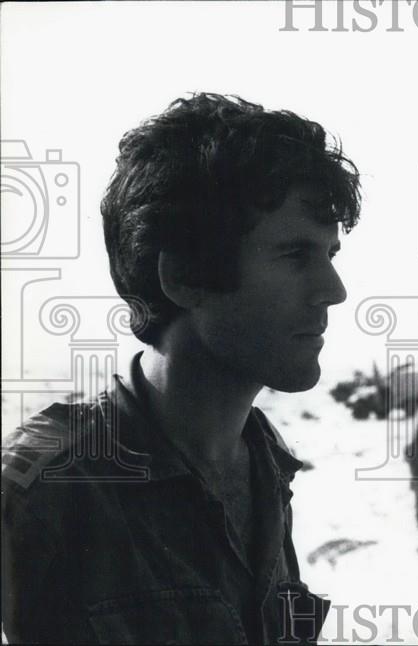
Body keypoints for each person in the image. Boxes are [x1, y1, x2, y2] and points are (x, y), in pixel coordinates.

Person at [1, 94, 361, 644]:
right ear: (185, 277)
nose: (333, 291)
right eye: (294, 256)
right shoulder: (42, 484)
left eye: (330, 255)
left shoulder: (265, 466)